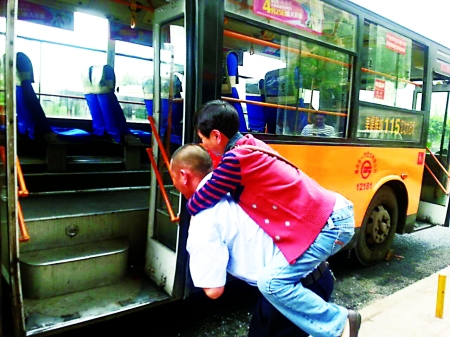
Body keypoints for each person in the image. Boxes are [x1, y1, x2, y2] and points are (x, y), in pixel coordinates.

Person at [186, 100, 360, 337]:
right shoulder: (251, 144)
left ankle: (339, 322)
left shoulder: (235, 161)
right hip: (332, 216)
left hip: (329, 224)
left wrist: (188, 204)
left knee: (271, 283)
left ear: (216, 136)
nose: (202, 146)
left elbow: (199, 201)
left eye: (203, 139)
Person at [170, 144, 336, 337]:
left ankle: (344, 324)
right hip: (318, 275)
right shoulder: (241, 183)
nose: (173, 184)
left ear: (184, 175)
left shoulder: (204, 221)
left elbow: (213, 290)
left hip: (289, 292)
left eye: (172, 177)